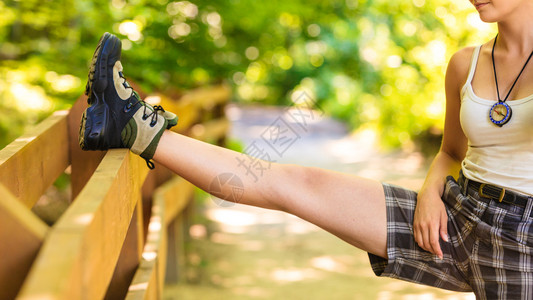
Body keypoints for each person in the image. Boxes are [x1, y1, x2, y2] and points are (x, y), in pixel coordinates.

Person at [79, 1, 533, 298]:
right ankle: (132, 127)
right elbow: (450, 152)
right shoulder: (464, 64)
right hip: (458, 214)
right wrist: (433, 191)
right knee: (297, 182)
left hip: (523, 238)